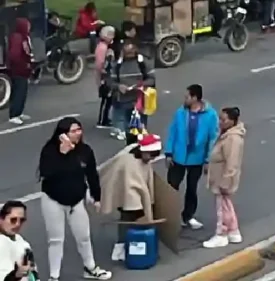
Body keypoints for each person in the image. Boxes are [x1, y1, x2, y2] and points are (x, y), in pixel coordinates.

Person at [37, 118, 111, 280]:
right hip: (53, 199)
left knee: (83, 236)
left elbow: (92, 175)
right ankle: (54, 276)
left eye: (79, 130)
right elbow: (46, 172)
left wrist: (96, 197)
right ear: (63, 134)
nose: (78, 133)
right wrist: (63, 153)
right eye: (73, 131)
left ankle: (90, 267)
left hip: (76, 200)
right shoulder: (50, 150)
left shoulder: (85, 151)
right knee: (56, 239)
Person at [163, 84, 220, 229]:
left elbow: (212, 138)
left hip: (197, 159)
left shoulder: (210, 115)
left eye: (187, 97)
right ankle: (169, 215)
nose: (185, 99)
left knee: (191, 188)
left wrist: (208, 160)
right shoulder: (180, 112)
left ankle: (187, 216)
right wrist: (169, 153)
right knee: (171, 187)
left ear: (195, 98)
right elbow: (173, 133)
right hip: (178, 157)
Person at [99, 134, 161, 263]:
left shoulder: (138, 155)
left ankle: (126, 245)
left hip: (132, 195)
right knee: (128, 218)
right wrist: (144, 201)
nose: (151, 159)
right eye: (151, 156)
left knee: (130, 219)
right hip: (128, 196)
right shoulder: (129, 162)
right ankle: (120, 247)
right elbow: (134, 184)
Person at [203, 107, 246, 249]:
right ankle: (233, 231)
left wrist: (225, 182)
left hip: (223, 178)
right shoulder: (228, 135)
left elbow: (232, 163)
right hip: (221, 176)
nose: (220, 122)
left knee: (221, 207)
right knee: (226, 205)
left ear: (232, 121)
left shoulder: (232, 139)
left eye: (223, 120)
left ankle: (221, 234)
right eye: (220, 119)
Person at [108, 43, 153, 141]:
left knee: (141, 125)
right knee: (126, 124)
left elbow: (152, 80)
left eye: (131, 52)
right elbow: (110, 82)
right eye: (127, 53)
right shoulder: (117, 65)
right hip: (124, 100)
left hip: (140, 99)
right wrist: (119, 86)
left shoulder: (143, 63)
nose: (129, 55)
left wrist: (141, 85)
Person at [6, 18, 32, 126]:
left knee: (22, 92)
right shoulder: (17, 38)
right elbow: (14, 55)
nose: (29, 27)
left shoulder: (24, 37)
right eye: (27, 25)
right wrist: (22, 64)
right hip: (18, 69)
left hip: (23, 70)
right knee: (18, 92)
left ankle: (19, 112)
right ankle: (14, 115)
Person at [0, 201, 35, 281]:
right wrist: (15, 275)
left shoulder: (21, 241)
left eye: (22, 220)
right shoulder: (2, 243)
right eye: (13, 220)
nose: (17, 224)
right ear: (1, 219)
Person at [94, 26, 116, 130]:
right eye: (110, 35)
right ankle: (102, 120)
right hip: (104, 77)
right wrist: (104, 75)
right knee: (106, 98)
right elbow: (100, 63)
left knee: (108, 99)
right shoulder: (103, 47)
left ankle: (105, 119)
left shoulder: (104, 46)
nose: (112, 37)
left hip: (106, 76)